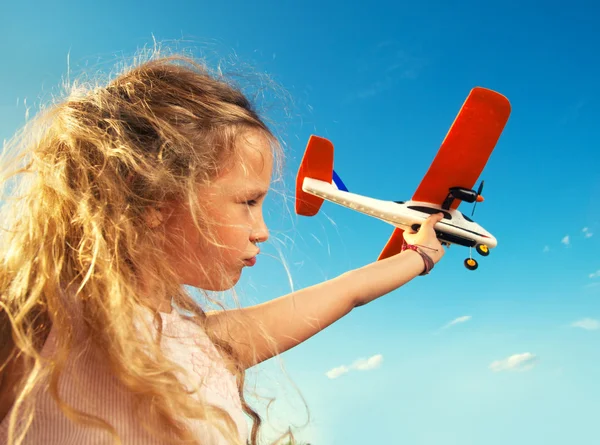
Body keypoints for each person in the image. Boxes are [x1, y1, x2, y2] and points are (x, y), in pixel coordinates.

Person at [0, 53, 445, 445]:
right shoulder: (31, 326)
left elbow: (350, 290)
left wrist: (419, 255)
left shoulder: (203, 342)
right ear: (153, 199)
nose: (264, 231)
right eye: (249, 202)